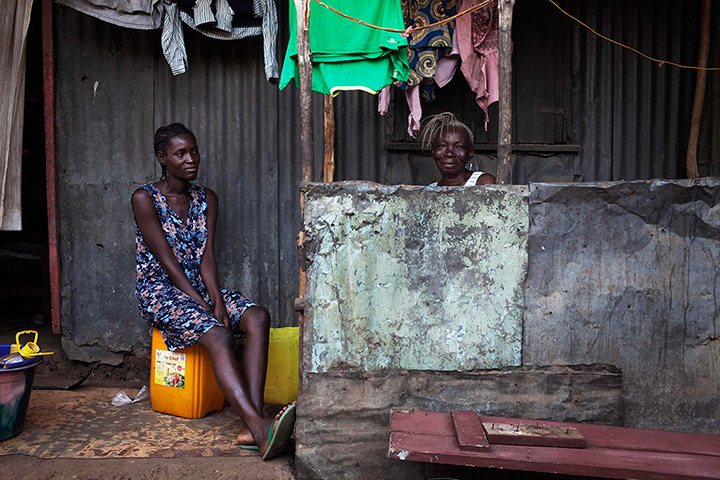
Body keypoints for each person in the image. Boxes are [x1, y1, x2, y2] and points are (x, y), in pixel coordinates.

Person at [132, 123, 295, 461]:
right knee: (219, 336)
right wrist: (201, 304)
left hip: (201, 287)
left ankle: (250, 426)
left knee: (257, 317)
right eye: (180, 153)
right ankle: (259, 425)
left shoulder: (207, 199)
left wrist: (217, 300)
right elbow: (167, 260)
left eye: (194, 151)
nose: (191, 159)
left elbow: (206, 255)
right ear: (163, 158)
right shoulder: (145, 199)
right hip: (162, 290)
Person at [419, 112, 496, 186]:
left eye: (458, 147)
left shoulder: (483, 183)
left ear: (470, 152)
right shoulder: (431, 191)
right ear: (433, 150)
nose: (449, 154)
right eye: (442, 146)